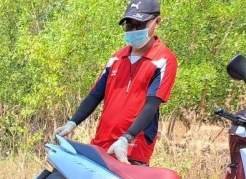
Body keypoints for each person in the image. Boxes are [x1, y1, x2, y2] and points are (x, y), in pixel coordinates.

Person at [54, 0, 177, 165]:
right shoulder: (116, 58)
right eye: (129, 25)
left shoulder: (163, 60)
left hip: (132, 149)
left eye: (140, 25)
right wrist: (72, 123)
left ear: (157, 22)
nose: (134, 30)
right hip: (101, 144)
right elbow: (95, 96)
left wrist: (126, 138)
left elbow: (151, 105)